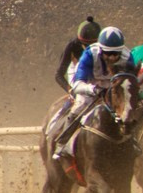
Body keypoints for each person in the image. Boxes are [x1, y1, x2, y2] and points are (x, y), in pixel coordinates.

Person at [52, 26, 130, 159]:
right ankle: (62, 142)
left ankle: (132, 142)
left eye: (115, 53)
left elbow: (130, 78)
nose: (112, 57)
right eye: (108, 53)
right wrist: (93, 90)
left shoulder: (127, 55)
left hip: (113, 84)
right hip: (90, 83)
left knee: (130, 106)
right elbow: (77, 84)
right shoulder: (89, 55)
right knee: (80, 105)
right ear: (100, 49)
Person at [54, 18, 99, 91]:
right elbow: (59, 75)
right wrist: (70, 90)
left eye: (95, 45)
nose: (92, 49)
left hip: (97, 72)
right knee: (79, 95)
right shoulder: (72, 46)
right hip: (76, 72)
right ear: (81, 42)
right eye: (87, 45)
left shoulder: (104, 46)